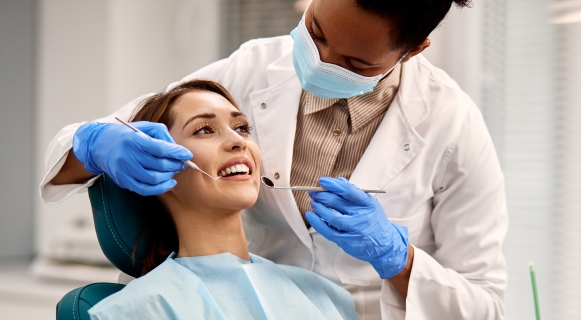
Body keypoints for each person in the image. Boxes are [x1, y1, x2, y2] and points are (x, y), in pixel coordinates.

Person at [41, 0, 509, 319]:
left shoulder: (452, 126)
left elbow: (485, 304)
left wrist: (398, 259)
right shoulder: (249, 69)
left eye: (353, 63)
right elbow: (96, 139)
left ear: (413, 50)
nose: (319, 62)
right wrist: (94, 143)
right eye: (316, 32)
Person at [87, 79, 359, 320]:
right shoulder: (138, 311)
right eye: (204, 130)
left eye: (241, 127)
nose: (237, 141)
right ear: (157, 167)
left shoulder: (326, 298)